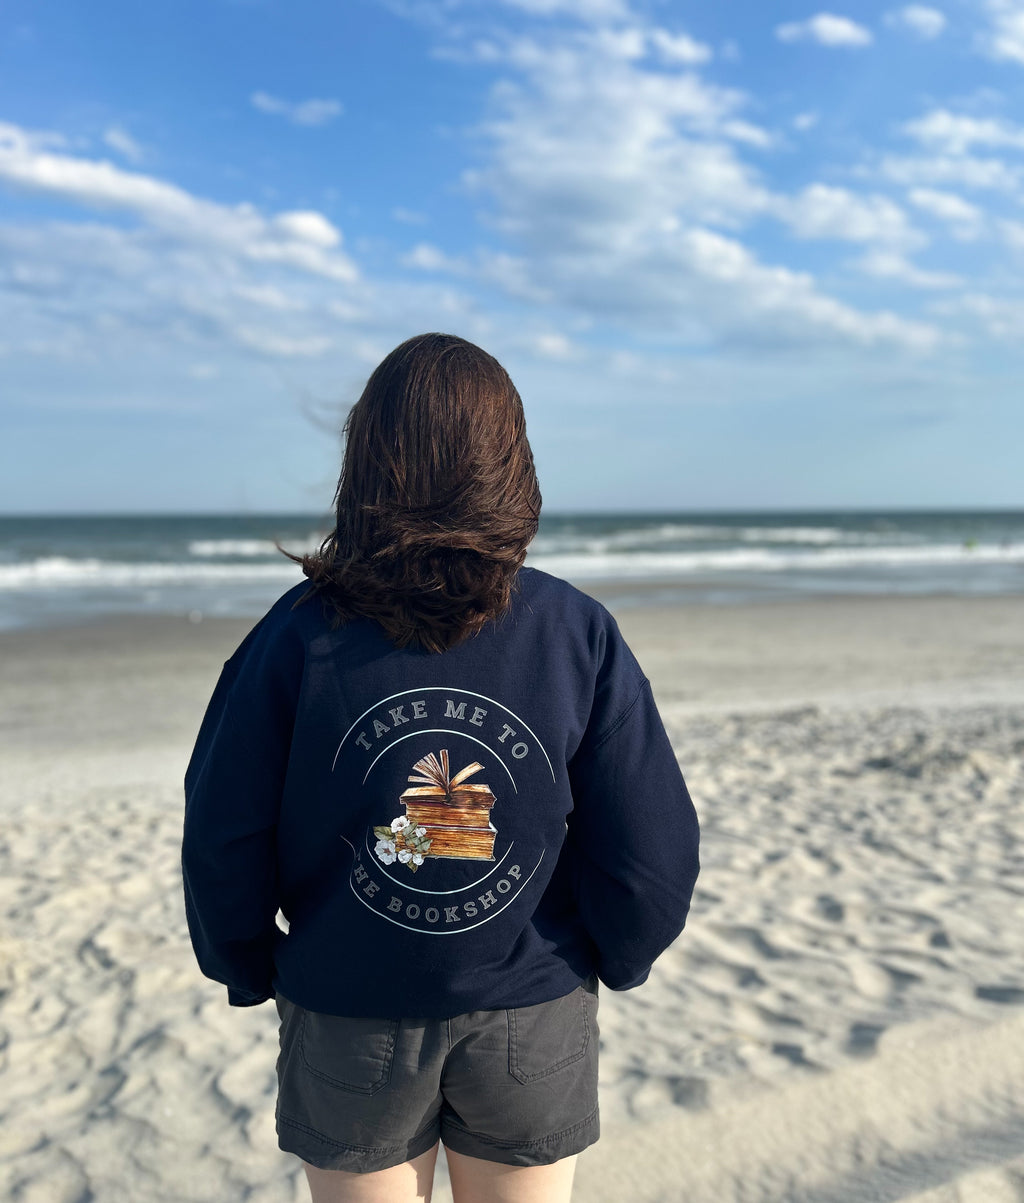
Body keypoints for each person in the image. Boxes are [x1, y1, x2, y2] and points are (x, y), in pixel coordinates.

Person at [181, 333, 700, 1203]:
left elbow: (222, 832)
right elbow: (653, 850)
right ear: (511, 465)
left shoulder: (294, 638)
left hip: (348, 1007)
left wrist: (247, 961)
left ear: (367, 464)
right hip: (530, 1009)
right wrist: (615, 953)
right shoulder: (574, 633)